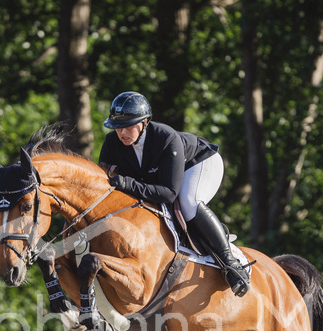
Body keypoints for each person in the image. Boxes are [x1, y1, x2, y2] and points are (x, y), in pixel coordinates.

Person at [98, 91, 250, 296]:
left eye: (127, 126)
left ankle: (231, 264)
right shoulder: (111, 144)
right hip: (164, 179)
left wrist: (127, 183)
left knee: (188, 203)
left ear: (144, 122)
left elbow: (169, 193)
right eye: (117, 127)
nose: (121, 133)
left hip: (199, 163)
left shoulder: (165, 138)